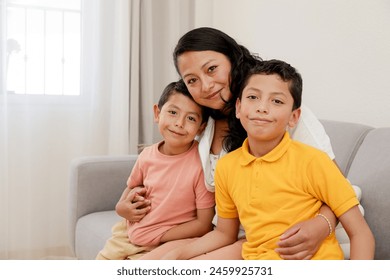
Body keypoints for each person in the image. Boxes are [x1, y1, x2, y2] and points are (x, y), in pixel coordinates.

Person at [119, 27, 338, 260]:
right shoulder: (203, 121)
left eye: (212, 69)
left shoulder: (277, 114)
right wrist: (128, 205)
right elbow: (164, 164)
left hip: (272, 237)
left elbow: (337, 188)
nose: (205, 85)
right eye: (192, 80)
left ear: (233, 58)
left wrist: (321, 225)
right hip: (220, 232)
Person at [160, 59, 375, 260]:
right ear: (238, 108)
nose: (262, 107)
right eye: (253, 97)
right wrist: (179, 256)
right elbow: (225, 233)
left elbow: (361, 234)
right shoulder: (227, 167)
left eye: (277, 101)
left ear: (294, 117)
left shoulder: (313, 161)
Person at [96, 80, 215, 260]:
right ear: (157, 113)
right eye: (173, 112)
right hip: (130, 232)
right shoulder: (147, 155)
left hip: (170, 240)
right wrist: (122, 208)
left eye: (191, 118)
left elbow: (203, 224)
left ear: (201, 127)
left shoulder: (201, 163)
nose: (179, 123)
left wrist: (158, 235)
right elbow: (132, 186)